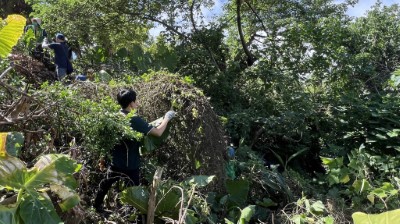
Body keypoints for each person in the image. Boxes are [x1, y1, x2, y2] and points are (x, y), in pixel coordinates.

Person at [93, 89, 175, 213]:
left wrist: (103, 158)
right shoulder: (134, 120)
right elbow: (158, 132)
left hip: (115, 163)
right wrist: (167, 118)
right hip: (130, 165)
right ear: (131, 103)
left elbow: (105, 141)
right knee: (134, 194)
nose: (138, 103)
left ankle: (96, 207)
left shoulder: (114, 116)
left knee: (105, 184)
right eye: (136, 101)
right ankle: (131, 217)